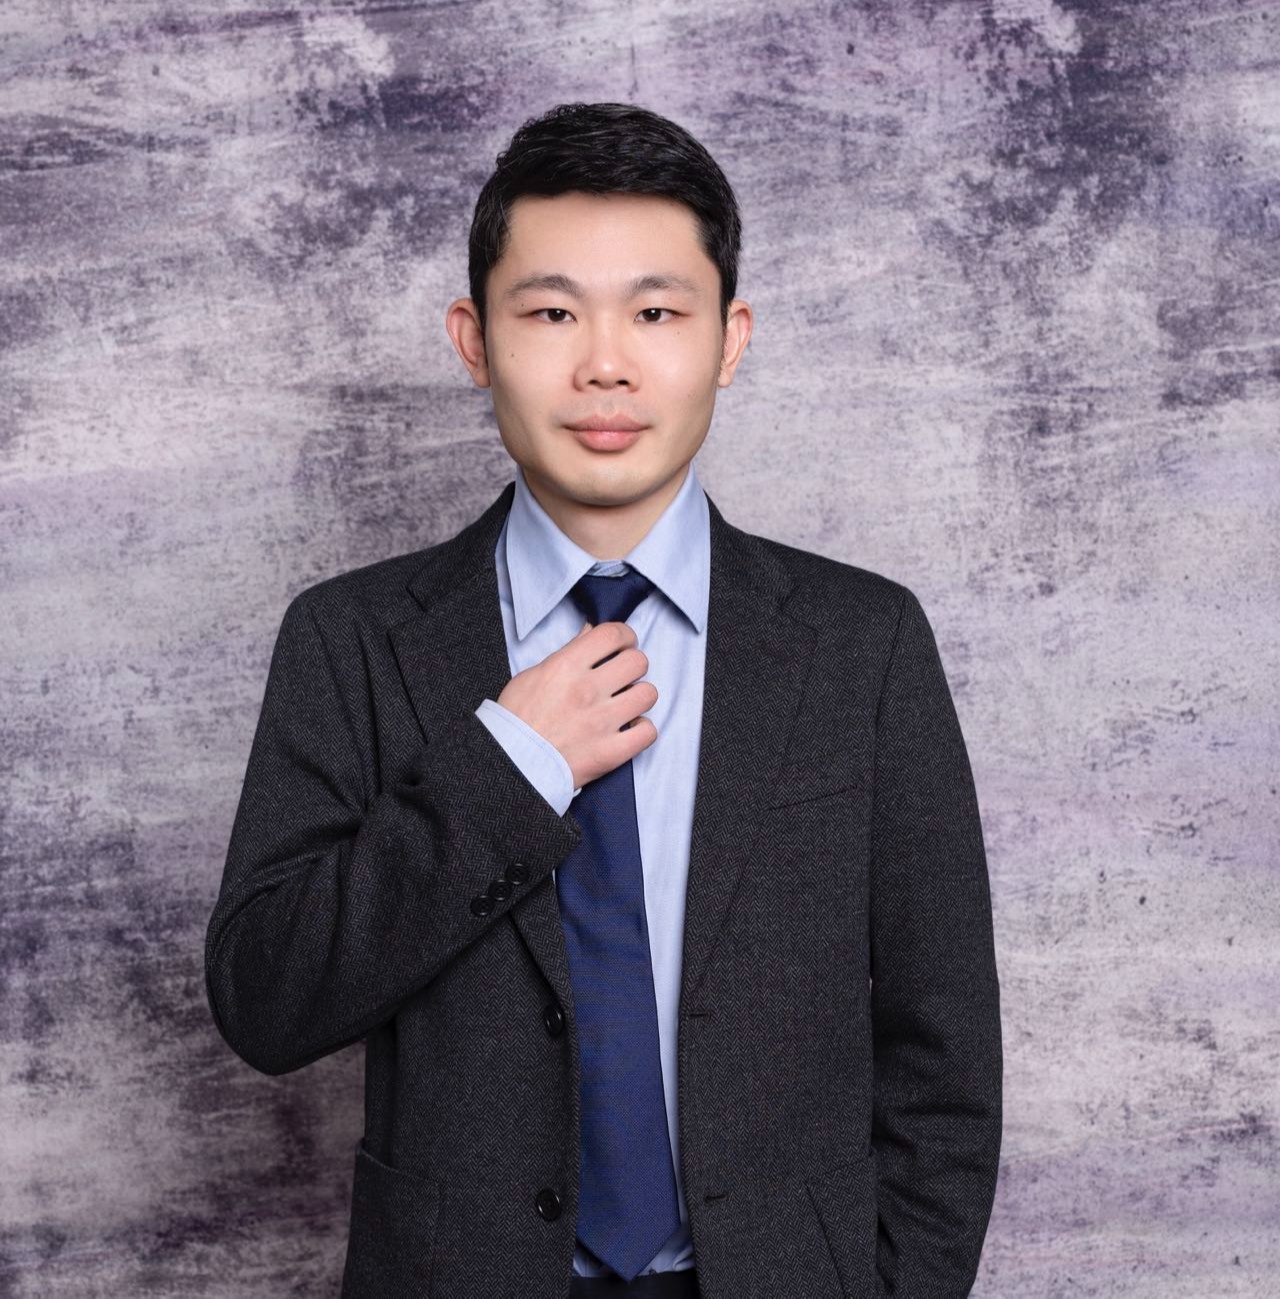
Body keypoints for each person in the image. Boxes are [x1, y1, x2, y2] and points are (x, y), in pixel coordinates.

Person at [204, 101, 1002, 1299]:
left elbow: (945, 1054)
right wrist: (506, 770)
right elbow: (265, 1001)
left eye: (655, 313)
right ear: (473, 339)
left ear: (728, 339)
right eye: (551, 313)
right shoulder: (351, 639)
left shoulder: (860, 643)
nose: (605, 364)